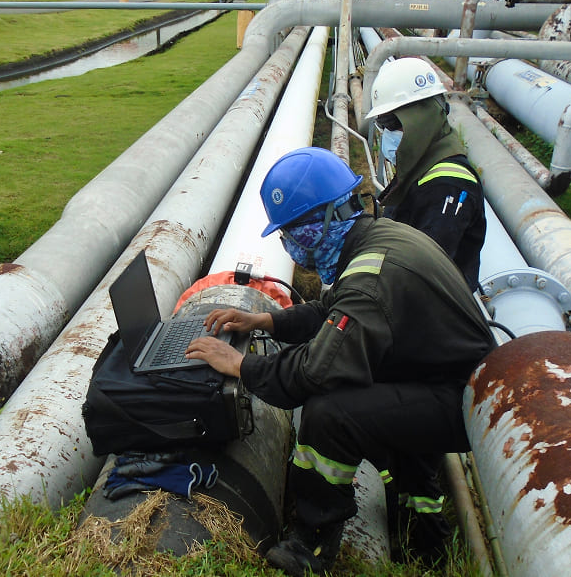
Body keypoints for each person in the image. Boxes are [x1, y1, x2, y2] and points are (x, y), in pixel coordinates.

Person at [185, 147, 496, 576]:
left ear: (321, 225)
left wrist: (240, 366)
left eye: (293, 234)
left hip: (461, 402)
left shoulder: (371, 278)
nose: (290, 246)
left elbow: (315, 371)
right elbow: (327, 310)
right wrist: (267, 320)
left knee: (330, 413)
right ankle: (423, 538)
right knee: (367, 405)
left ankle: (311, 545)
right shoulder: (375, 238)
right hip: (444, 379)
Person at [366, 57, 487, 292]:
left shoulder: (448, 186)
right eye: (383, 124)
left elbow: (419, 273)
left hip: (434, 312)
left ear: (422, 118)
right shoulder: (422, 162)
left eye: (392, 123)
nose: (387, 133)